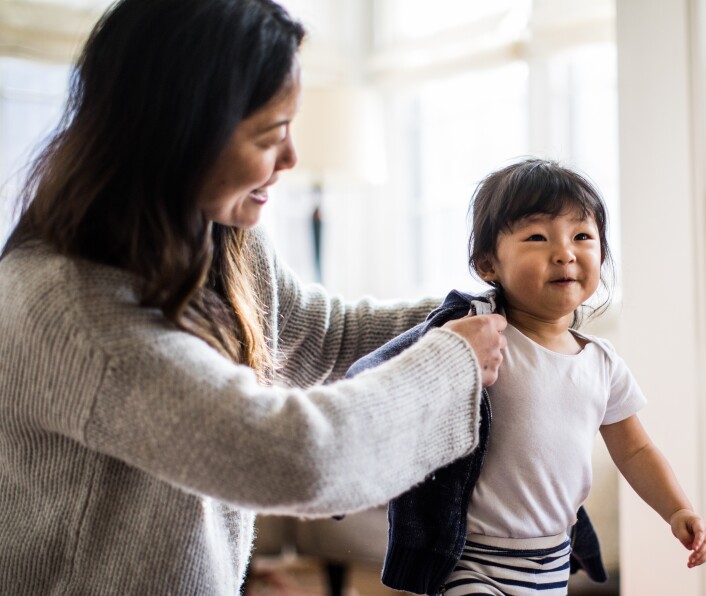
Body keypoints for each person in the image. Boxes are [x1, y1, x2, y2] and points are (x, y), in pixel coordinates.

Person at [0, 1, 506, 594]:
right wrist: (452, 363)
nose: (290, 158)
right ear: (181, 134)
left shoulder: (222, 241)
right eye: (270, 135)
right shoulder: (68, 310)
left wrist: (488, 309)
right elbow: (294, 458)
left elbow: (326, 336)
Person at [350, 159, 706, 595]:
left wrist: (677, 509)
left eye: (582, 236)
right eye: (538, 237)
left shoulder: (602, 363)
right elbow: (396, 373)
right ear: (488, 264)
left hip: (551, 562)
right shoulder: (477, 335)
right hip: (473, 559)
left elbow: (636, 451)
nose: (564, 252)